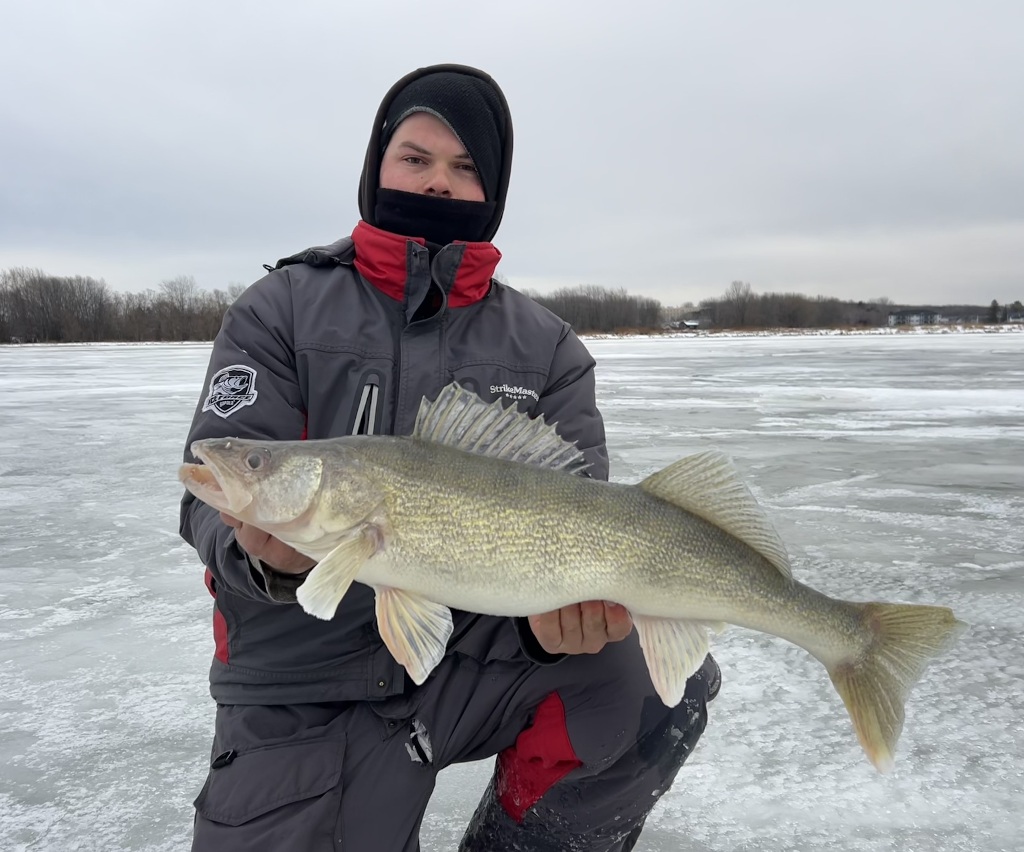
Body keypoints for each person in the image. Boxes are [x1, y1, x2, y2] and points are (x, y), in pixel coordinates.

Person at [180, 63, 720, 852]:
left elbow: (578, 519)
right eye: (416, 157)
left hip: (479, 661)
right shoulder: (281, 309)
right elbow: (205, 506)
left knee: (648, 682)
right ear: (377, 166)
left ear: (492, 191)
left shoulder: (548, 347)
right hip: (303, 686)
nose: (438, 182)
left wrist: (552, 626)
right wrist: (262, 559)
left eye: (465, 167)